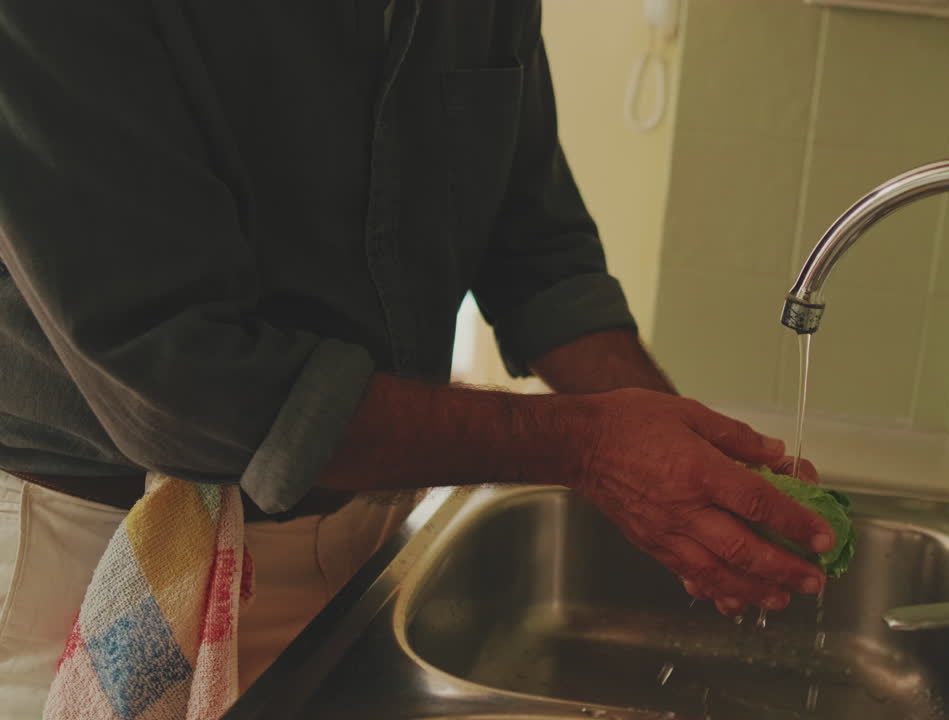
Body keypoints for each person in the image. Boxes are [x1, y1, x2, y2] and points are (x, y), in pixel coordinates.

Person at [0, 0, 832, 714]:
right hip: (91, 558)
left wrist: (692, 473)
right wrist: (590, 444)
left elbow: (537, 252)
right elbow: (185, 382)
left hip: (368, 540)